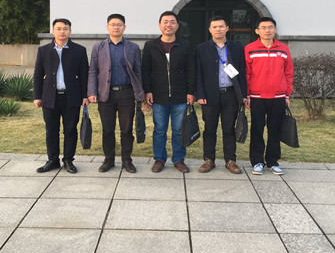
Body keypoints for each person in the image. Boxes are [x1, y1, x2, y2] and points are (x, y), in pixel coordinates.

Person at [88, 13, 144, 173]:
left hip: (127, 93)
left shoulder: (133, 47)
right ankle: (109, 160)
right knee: (107, 129)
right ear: (107, 27)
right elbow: (93, 70)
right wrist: (92, 91)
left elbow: (138, 71)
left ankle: (127, 160)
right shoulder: (98, 47)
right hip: (106, 94)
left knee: (126, 129)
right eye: (113, 24)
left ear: (124, 27)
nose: (116, 27)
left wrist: (139, 93)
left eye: (119, 24)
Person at [142, 11, 196, 173]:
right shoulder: (151, 45)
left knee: (179, 130)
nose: (168, 25)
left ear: (177, 26)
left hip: (180, 95)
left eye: (172, 22)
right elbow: (146, 70)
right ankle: (159, 159)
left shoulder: (185, 45)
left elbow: (191, 70)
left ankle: (178, 159)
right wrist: (148, 91)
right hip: (158, 95)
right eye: (165, 22)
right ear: (160, 25)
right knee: (160, 129)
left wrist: (191, 91)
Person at [33, 18, 89, 174]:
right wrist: (37, 96)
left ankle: (68, 160)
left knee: (70, 130)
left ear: (70, 31)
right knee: (51, 130)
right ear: (53, 31)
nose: (62, 31)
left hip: (71, 96)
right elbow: (38, 75)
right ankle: (53, 160)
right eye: (58, 28)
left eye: (65, 28)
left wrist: (85, 96)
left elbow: (84, 75)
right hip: (49, 97)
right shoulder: (43, 50)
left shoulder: (79, 50)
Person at [195, 16, 247, 174]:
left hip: (230, 94)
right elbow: (198, 73)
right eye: (215, 27)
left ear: (227, 28)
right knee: (209, 128)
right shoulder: (201, 49)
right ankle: (208, 160)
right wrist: (199, 94)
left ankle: (230, 160)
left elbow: (242, 73)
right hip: (209, 95)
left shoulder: (237, 48)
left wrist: (243, 95)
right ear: (209, 30)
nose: (218, 29)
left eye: (221, 26)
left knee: (229, 129)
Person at [245, 16, 294, 175]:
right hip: (257, 97)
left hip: (278, 97)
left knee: (275, 130)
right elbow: (247, 73)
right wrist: (247, 95)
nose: (267, 30)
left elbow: (288, 72)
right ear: (257, 31)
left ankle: (273, 161)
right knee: (257, 130)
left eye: (270, 27)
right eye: (263, 28)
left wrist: (287, 94)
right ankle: (257, 161)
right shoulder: (250, 48)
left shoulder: (283, 49)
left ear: (275, 30)